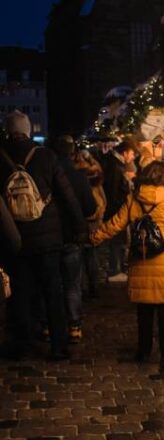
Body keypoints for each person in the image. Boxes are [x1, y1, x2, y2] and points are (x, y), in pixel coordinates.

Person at [91, 161, 164, 372]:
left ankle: (144, 351)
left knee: (144, 313)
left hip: (141, 262)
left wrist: (95, 237)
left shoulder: (133, 200)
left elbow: (115, 224)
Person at [0, 111, 87, 360]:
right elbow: (67, 195)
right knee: (53, 291)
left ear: (8, 131)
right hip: (48, 238)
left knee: (20, 293)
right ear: (28, 131)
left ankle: (22, 343)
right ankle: (58, 346)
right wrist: (79, 227)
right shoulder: (47, 156)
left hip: (14, 238)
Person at [51, 136, 97, 343]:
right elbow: (90, 208)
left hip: (50, 237)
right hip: (72, 236)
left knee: (52, 283)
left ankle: (47, 325)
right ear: (73, 152)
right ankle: (74, 326)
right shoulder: (79, 177)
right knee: (72, 284)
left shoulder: (46, 173)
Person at [101, 138, 138, 282]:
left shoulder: (115, 164)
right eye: (132, 153)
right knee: (116, 241)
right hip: (115, 210)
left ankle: (116, 269)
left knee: (118, 241)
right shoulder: (116, 167)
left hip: (115, 209)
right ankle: (114, 271)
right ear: (125, 152)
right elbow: (113, 191)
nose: (133, 157)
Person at [73, 148, 107, 298]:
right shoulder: (96, 183)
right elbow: (102, 204)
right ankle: (92, 286)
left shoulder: (79, 179)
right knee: (91, 257)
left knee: (83, 258)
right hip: (92, 224)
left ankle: (85, 287)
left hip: (84, 223)